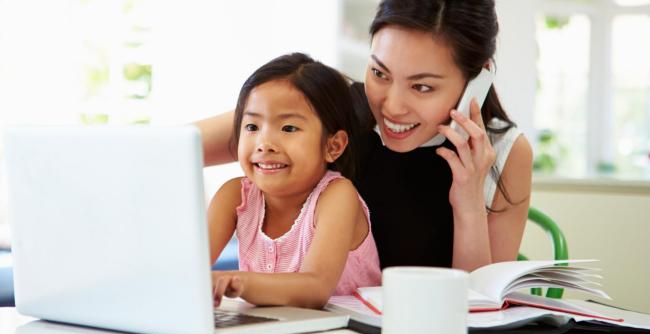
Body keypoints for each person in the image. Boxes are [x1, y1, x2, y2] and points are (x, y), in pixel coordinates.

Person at [196, 0, 532, 273]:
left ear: (477, 80)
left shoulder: (505, 152)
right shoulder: (328, 112)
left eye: (422, 86)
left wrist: (469, 202)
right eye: (379, 73)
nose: (392, 106)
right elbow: (171, 150)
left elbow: (477, 310)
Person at [207, 53, 381, 309]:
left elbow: (315, 288)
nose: (265, 144)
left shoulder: (337, 195)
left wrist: (239, 281)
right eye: (252, 127)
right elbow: (186, 269)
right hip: (275, 331)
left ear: (333, 146)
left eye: (288, 128)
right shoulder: (234, 196)